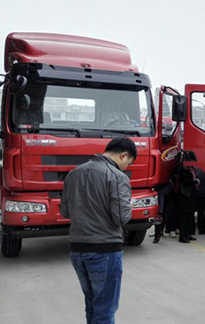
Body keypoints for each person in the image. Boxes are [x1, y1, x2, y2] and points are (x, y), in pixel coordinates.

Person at [60, 137, 137, 324]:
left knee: (92, 304)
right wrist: (129, 205)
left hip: (77, 251)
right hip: (105, 251)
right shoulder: (117, 177)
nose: (126, 167)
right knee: (105, 310)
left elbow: (64, 211)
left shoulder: (74, 174)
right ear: (123, 155)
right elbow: (121, 217)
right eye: (128, 163)